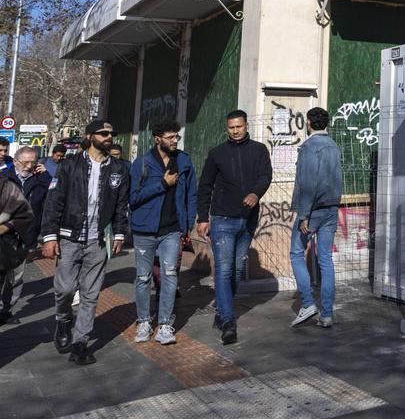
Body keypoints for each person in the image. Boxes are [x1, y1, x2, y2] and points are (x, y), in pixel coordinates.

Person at [40, 120, 129, 365]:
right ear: (90, 136)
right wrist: (49, 237)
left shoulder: (119, 168)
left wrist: (119, 234)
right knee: (65, 289)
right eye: (103, 133)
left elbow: (122, 205)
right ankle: (63, 319)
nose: (109, 137)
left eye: (111, 133)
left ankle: (80, 342)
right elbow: (54, 201)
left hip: (98, 241)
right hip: (70, 238)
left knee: (90, 294)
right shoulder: (70, 165)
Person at [196, 109, 272, 345]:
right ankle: (228, 321)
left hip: (247, 220)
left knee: (237, 270)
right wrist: (202, 218)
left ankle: (221, 309)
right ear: (227, 128)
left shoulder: (259, 150)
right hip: (222, 219)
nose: (236, 130)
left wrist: (255, 193)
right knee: (224, 270)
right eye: (231, 127)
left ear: (246, 125)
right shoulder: (217, 153)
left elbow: (265, 175)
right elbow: (205, 185)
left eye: (239, 126)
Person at [129, 120, 196, 346]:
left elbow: (191, 194)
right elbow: (133, 198)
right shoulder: (142, 163)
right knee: (143, 277)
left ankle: (165, 324)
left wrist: (188, 224)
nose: (175, 140)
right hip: (144, 229)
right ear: (157, 139)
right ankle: (144, 321)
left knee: (170, 275)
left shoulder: (184, 161)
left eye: (176, 136)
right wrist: (163, 184)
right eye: (170, 137)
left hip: (172, 230)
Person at [289, 107, 343, 329]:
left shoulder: (310, 147)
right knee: (325, 260)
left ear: (308, 123)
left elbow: (308, 183)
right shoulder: (334, 146)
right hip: (331, 208)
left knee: (295, 253)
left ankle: (309, 303)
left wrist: (303, 216)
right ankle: (327, 313)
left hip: (312, 211)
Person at [0, 147, 52, 324]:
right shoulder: (5, 178)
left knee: (17, 276)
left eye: (33, 162)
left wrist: (46, 176)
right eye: (25, 162)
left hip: (27, 236)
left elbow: (51, 201)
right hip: (3, 235)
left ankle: (6, 310)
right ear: (15, 161)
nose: (29, 166)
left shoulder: (41, 180)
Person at [0, 174, 34, 326]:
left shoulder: (7, 187)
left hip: (4, 246)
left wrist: (7, 226)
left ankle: (4, 310)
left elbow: (26, 214)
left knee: (11, 279)